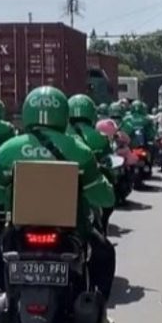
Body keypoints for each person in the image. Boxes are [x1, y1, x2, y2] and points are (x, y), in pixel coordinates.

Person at [0, 86, 116, 304]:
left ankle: (4, 306)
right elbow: (104, 199)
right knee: (104, 254)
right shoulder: (80, 151)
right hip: (72, 232)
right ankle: (98, 306)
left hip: (19, 232)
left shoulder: (8, 150)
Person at [67, 94, 116, 235]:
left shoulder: (62, 137)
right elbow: (108, 164)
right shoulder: (99, 138)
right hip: (87, 191)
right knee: (106, 251)